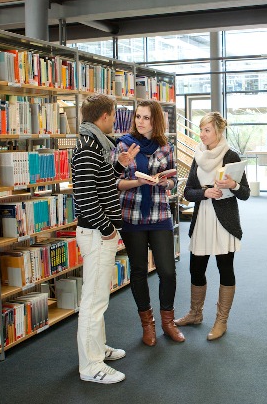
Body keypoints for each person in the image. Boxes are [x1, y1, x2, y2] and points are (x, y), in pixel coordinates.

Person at [71, 93, 140, 384]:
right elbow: (86, 199)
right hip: (98, 233)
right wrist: (108, 229)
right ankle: (90, 365)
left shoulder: (95, 144)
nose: (115, 120)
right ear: (105, 116)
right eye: (114, 115)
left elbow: (100, 183)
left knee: (98, 299)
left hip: (100, 233)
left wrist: (119, 165)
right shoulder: (89, 147)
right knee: (93, 302)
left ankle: (97, 349)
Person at [176, 112, 250, 340]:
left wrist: (233, 184)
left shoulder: (231, 155)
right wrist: (204, 192)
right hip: (202, 219)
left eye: (207, 130)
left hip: (224, 222)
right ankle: (195, 313)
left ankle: (221, 321)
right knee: (196, 269)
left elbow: (245, 193)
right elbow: (187, 192)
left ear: (218, 131)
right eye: (201, 129)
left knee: (225, 269)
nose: (202, 134)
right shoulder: (198, 155)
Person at [116, 100, 184, 346]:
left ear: (155, 121)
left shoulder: (165, 147)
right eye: (138, 117)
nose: (141, 121)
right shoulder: (124, 145)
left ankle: (168, 321)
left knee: (167, 270)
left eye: (146, 117)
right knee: (138, 271)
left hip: (160, 214)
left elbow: (174, 178)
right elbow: (117, 182)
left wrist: (165, 182)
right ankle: (148, 324)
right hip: (132, 216)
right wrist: (138, 182)